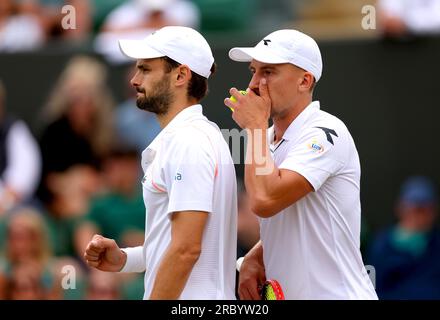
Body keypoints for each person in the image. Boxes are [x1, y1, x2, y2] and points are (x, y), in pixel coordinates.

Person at [84, 26, 238, 300]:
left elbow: (186, 249)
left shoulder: (187, 142)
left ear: (181, 75)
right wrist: (124, 259)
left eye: (145, 69)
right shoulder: (196, 137)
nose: (134, 80)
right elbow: (180, 242)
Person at [224, 29, 377, 300]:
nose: (254, 84)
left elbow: (264, 200)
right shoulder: (269, 138)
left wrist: (255, 127)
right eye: (253, 71)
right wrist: (258, 254)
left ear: (305, 81)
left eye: (268, 72)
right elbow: (299, 216)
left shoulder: (326, 131)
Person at [367, 176, 440, 299]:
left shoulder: (436, 245)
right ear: (400, 209)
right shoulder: (381, 245)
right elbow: (371, 289)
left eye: (424, 210)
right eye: (414, 209)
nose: (418, 216)